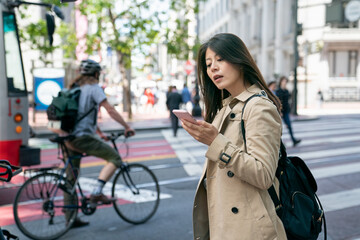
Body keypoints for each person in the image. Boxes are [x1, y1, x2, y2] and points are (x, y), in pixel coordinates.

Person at [181, 33, 286, 239]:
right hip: (225, 224)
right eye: (208, 63)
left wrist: (215, 142)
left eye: (220, 59)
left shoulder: (259, 108)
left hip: (250, 229)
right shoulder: (225, 108)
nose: (213, 68)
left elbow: (263, 174)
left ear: (239, 60)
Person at [65, 59, 135, 227]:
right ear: (96, 74)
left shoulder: (75, 88)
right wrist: (126, 126)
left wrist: (100, 133)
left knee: (71, 177)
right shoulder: (94, 89)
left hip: (68, 137)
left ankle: (70, 217)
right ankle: (96, 193)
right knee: (115, 158)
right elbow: (109, 109)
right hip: (83, 138)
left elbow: (83, 115)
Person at [276, 76, 301, 147]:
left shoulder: (286, 91)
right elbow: (278, 101)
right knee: (278, 128)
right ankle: (279, 143)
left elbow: (289, 99)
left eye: (286, 81)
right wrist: (279, 111)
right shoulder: (278, 91)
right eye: (284, 81)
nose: (285, 83)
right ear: (281, 82)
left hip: (286, 111)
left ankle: (293, 140)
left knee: (289, 126)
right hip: (280, 112)